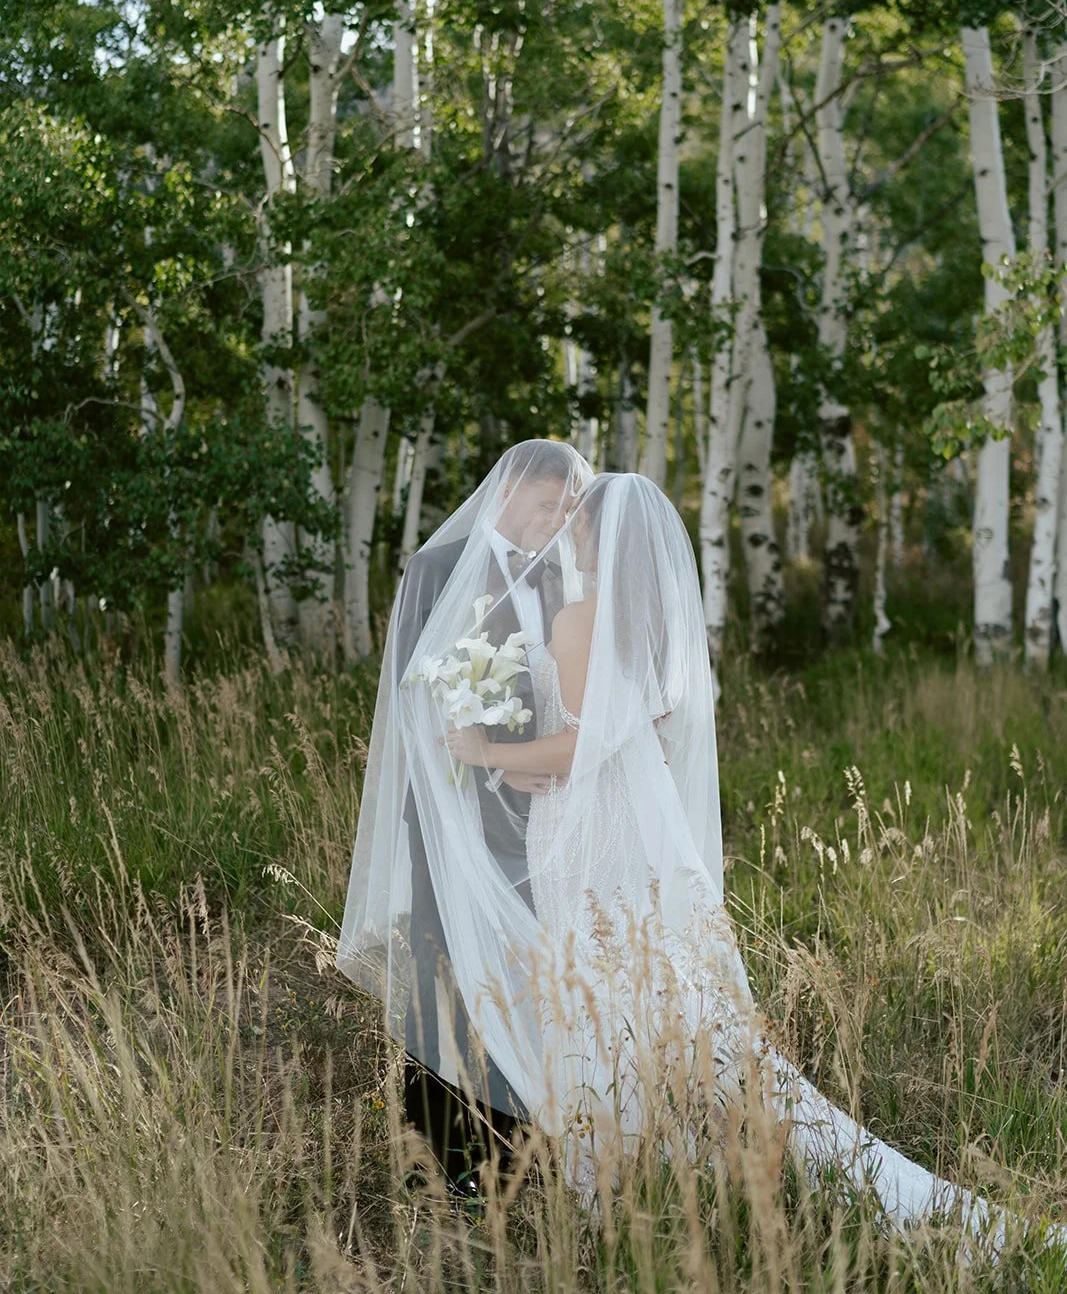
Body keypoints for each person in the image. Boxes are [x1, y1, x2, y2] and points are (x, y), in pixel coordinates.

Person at [341, 465, 1065, 1254]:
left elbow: (581, 744)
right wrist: (513, 765)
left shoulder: (580, 618)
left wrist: (487, 751)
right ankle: (666, 1156)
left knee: (601, 997)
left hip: (581, 834)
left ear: (599, 535)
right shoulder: (640, 620)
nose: (566, 526)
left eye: (575, 516)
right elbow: (623, 738)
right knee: (640, 996)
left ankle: (622, 1171)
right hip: (609, 825)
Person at [338, 439, 592, 1196]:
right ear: (509, 490)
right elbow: (410, 697)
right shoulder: (435, 569)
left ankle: (514, 1151)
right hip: (448, 808)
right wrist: (469, 776)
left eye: (565, 511)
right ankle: (440, 1160)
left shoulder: (555, 577)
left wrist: (534, 767)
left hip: (532, 813)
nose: (555, 522)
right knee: (440, 974)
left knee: (517, 977)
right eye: (548, 504)